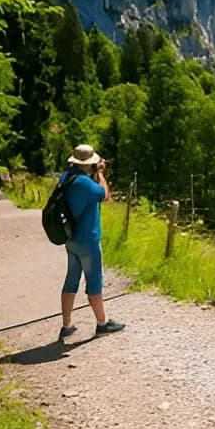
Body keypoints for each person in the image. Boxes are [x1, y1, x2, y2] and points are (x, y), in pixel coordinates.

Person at [59, 144, 125, 340]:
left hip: (71, 238)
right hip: (88, 240)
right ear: (89, 163)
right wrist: (101, 174)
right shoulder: (85, 183)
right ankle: (102, 324)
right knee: (94, 282)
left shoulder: (66, 177)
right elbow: (105, 195)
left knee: (71, 280)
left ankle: (66, 325)